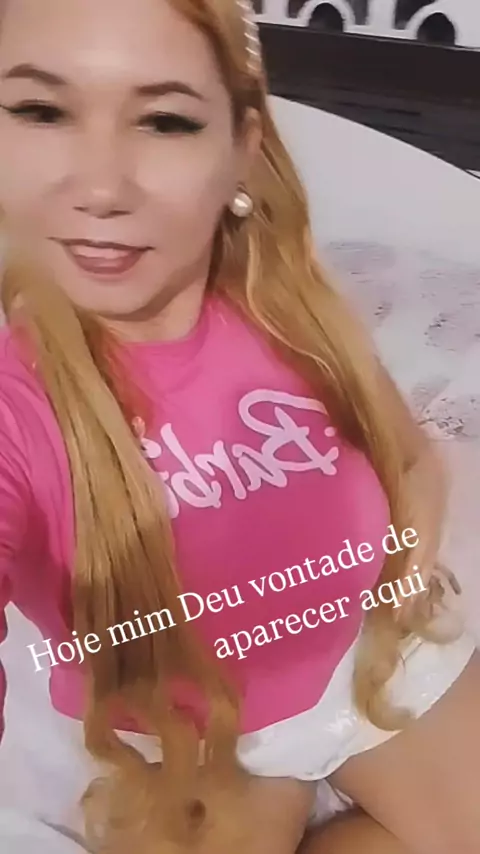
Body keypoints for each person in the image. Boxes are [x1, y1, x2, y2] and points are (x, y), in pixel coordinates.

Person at [0, 0, 478, 852]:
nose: (100, 187)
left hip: (373, 666)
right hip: (183, 742)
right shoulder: (16, 401)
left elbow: (410, 460)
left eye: (165, 120)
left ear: (241, 149)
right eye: (42, 110)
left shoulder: (294, 310)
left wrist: (399, 588)